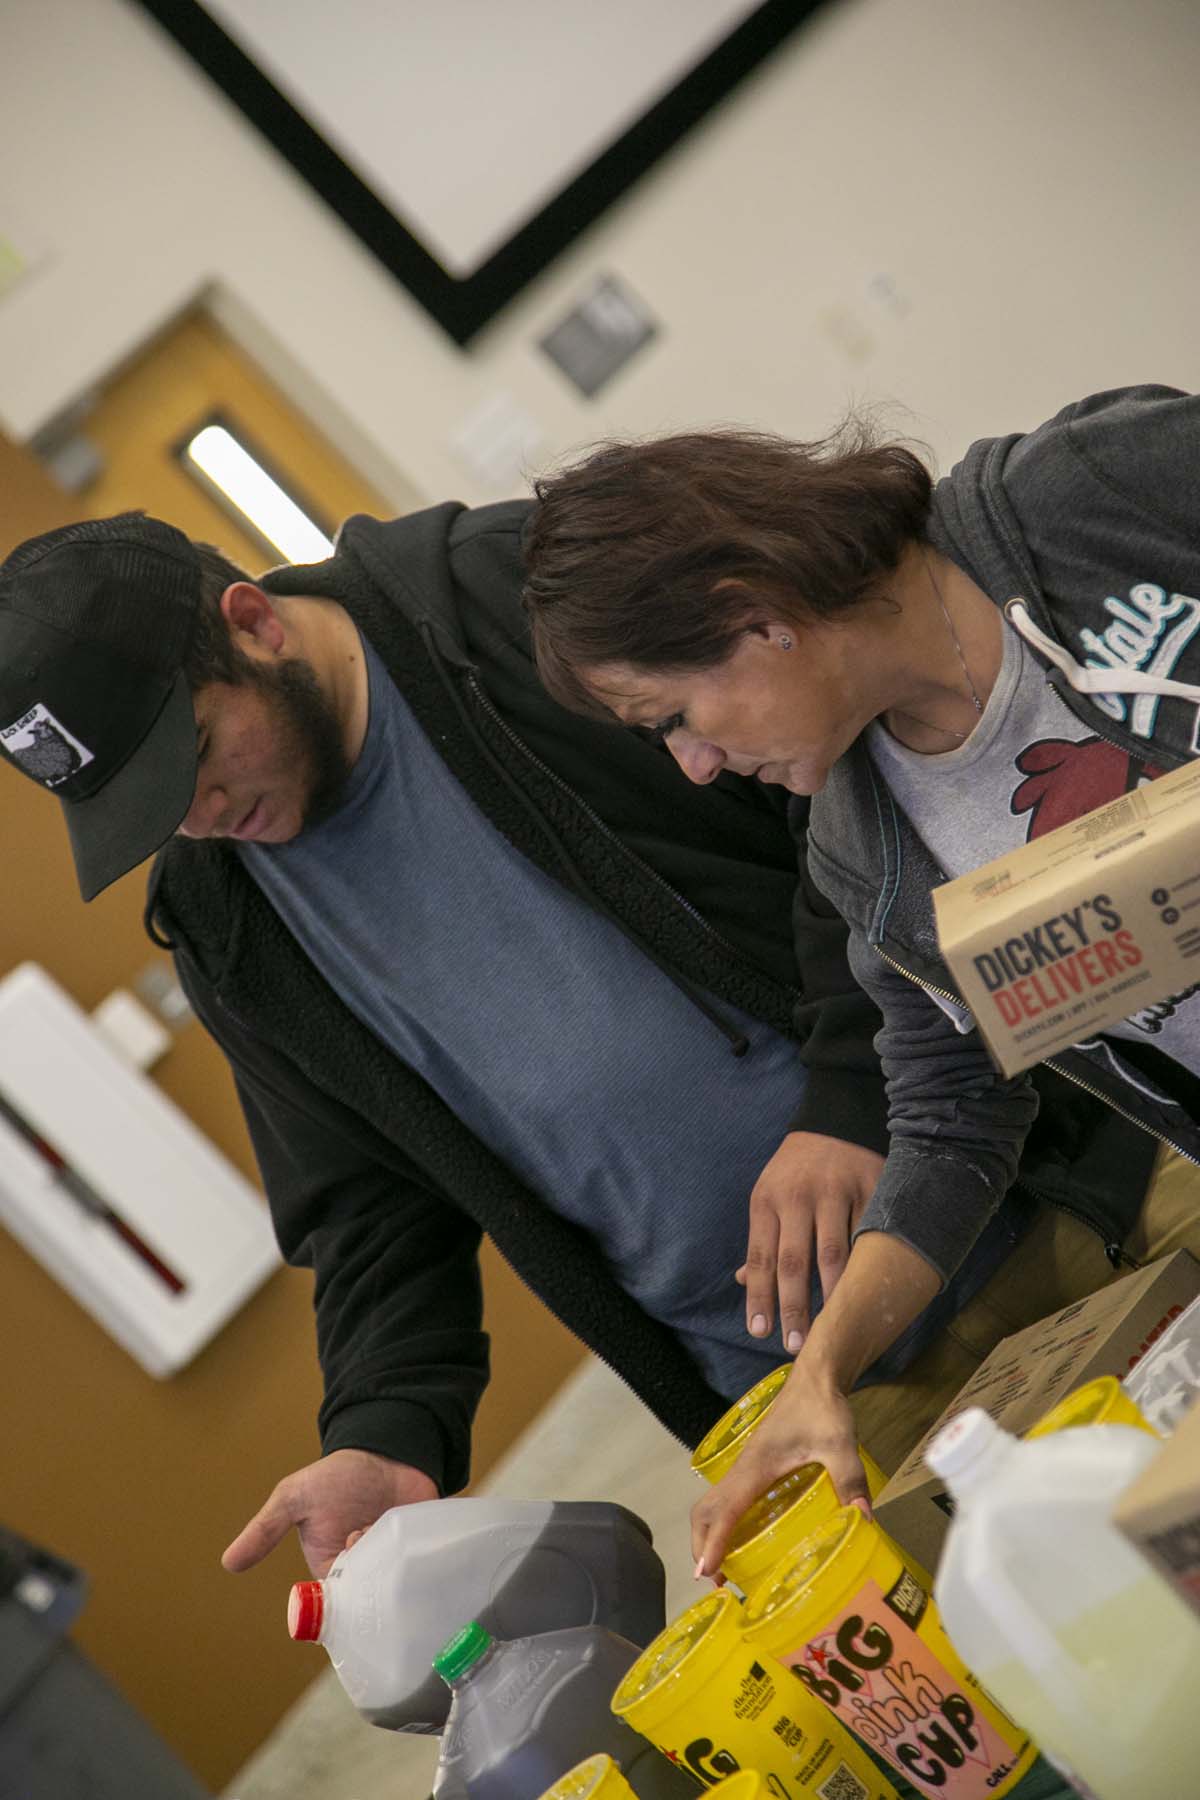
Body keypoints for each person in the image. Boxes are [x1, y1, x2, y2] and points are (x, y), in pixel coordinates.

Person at [0, 503, 900, 1576]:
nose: (200, 814)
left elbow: (840, 789)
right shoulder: (226, 919)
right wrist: (382, 1431)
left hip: (979, 1192)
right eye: (150, 809)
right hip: (771, 1392)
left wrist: (851, 1094)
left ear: (253, 623)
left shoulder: (510, 601)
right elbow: (370, 1207)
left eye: (194, 753)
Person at [521, 382, 1200, 1574]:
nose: (692, 764)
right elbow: (951, 1114)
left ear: (755, 612)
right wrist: (820, 1374)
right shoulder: (864, 848)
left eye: (673, 713)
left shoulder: (1091, 492)